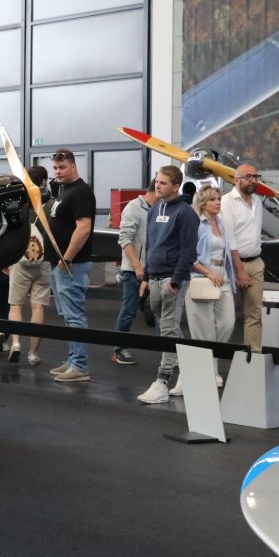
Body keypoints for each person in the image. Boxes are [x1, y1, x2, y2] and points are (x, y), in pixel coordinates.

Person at [137, 166, 198, 404]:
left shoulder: (186, 213)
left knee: (169, 330)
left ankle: (162, 382)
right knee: (166, 327)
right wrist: (145, 278)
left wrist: (176, 280)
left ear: (175, 186)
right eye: (157, 181)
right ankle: (191, 371)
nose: (157, 185)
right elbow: (150, 246)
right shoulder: (154, 210)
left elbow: (189, 251)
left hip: (173, 279)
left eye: (163, 182)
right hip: (154, 277)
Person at [44, 149, 95, 383]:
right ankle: (74, 359)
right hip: (60, 264)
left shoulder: (81, 191)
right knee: (67, 316)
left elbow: (83, 228)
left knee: (74, 316)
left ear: (73, 166)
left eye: (62, 167)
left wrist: (68, 258)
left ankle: (80, 365)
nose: (58, 171)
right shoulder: (65, 191)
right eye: (55, 168)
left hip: (71, 265)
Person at [186, 186, 236, 389]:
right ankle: (209, 371)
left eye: (218, 199)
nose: (217, 202)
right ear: (203, 203)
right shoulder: (197, 224)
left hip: (223, 278)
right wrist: (208, 273)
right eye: (212, 199)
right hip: (203, 278)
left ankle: (210, 364)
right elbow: (189, 256)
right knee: (203, 329)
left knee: (228, 323)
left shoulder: (221, 223)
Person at [221, 162, 267, 349]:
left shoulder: (257, 201)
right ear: (236, 180)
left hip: (256, 263)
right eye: (249, 177)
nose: (254, 180)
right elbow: (230, 239)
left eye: (256, 177)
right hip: (232, 266)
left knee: (255, 314)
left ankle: (253, 355)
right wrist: (239, 270)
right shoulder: (226, 201)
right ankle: (215, 357)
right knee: (225, 317)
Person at [113, 186, 155, 365]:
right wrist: (137, 266)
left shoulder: (159, 209)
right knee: (129, 310)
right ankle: (118, 350)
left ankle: (168, 354)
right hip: (134, 271)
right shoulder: (133, 207)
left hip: (153, 269)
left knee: (160, 313)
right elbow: (124, 238)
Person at [5, 232, 50, 366]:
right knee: (38, 307)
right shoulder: (48, 215)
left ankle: (16, 344)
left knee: (16, 305)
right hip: (44, 258)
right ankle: (32, 353)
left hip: (20, 259)